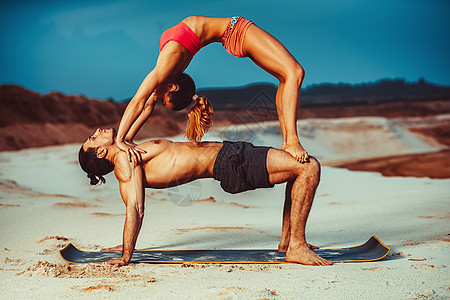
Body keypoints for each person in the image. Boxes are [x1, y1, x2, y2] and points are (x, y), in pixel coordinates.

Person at [78, 128, 332, 266]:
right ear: (101, 152)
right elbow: (135, 207)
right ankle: (296, 246)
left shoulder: (126, 148)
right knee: (308, 167)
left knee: (298, 172)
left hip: (229, 153)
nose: (97, 131)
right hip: (230, 164)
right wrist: (126, 254)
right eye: (92, 138)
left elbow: (143, 103)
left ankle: (289, 242)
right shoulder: (124, 161)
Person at [116, 16, 309, 164]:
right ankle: (289, 141)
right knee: (293, 73)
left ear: (172, 87)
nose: (156, 100)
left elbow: (138, 101)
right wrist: (127, 139)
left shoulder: (167, 65)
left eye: (163, 101)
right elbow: (146, 106)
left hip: (236, 30)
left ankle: (290, 141)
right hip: (233, 34)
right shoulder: (168, 72)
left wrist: (119, 140)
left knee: (292, 74)